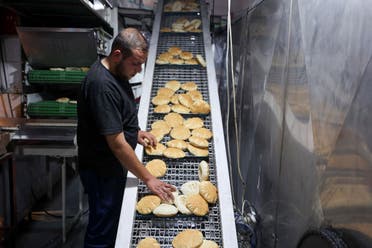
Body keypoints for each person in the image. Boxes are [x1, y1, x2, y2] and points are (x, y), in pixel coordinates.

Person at [77, 28, 175, 248]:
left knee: (111, 223)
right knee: (102, 229)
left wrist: (135, 132)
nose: (139, 70)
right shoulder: (101, 85)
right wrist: (149, 178)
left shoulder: (117, 72)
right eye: (136, 64)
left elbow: (113, 117)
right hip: (102, 169)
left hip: (111, 166)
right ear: (118, 54)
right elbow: (118, 145)